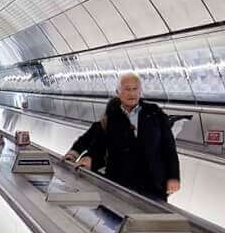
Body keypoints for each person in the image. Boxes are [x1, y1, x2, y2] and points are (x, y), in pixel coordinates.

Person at [66, 72, 182, 201]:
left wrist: (173, 177)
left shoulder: (155, 113)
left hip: (153, 184)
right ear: (118, 92)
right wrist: (87, 158)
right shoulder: (111, 117)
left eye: (135, 89)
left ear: (140, 91)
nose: (131, 93)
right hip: (119, 183)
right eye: (127, 89)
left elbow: (169, 148)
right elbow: (98, 145)